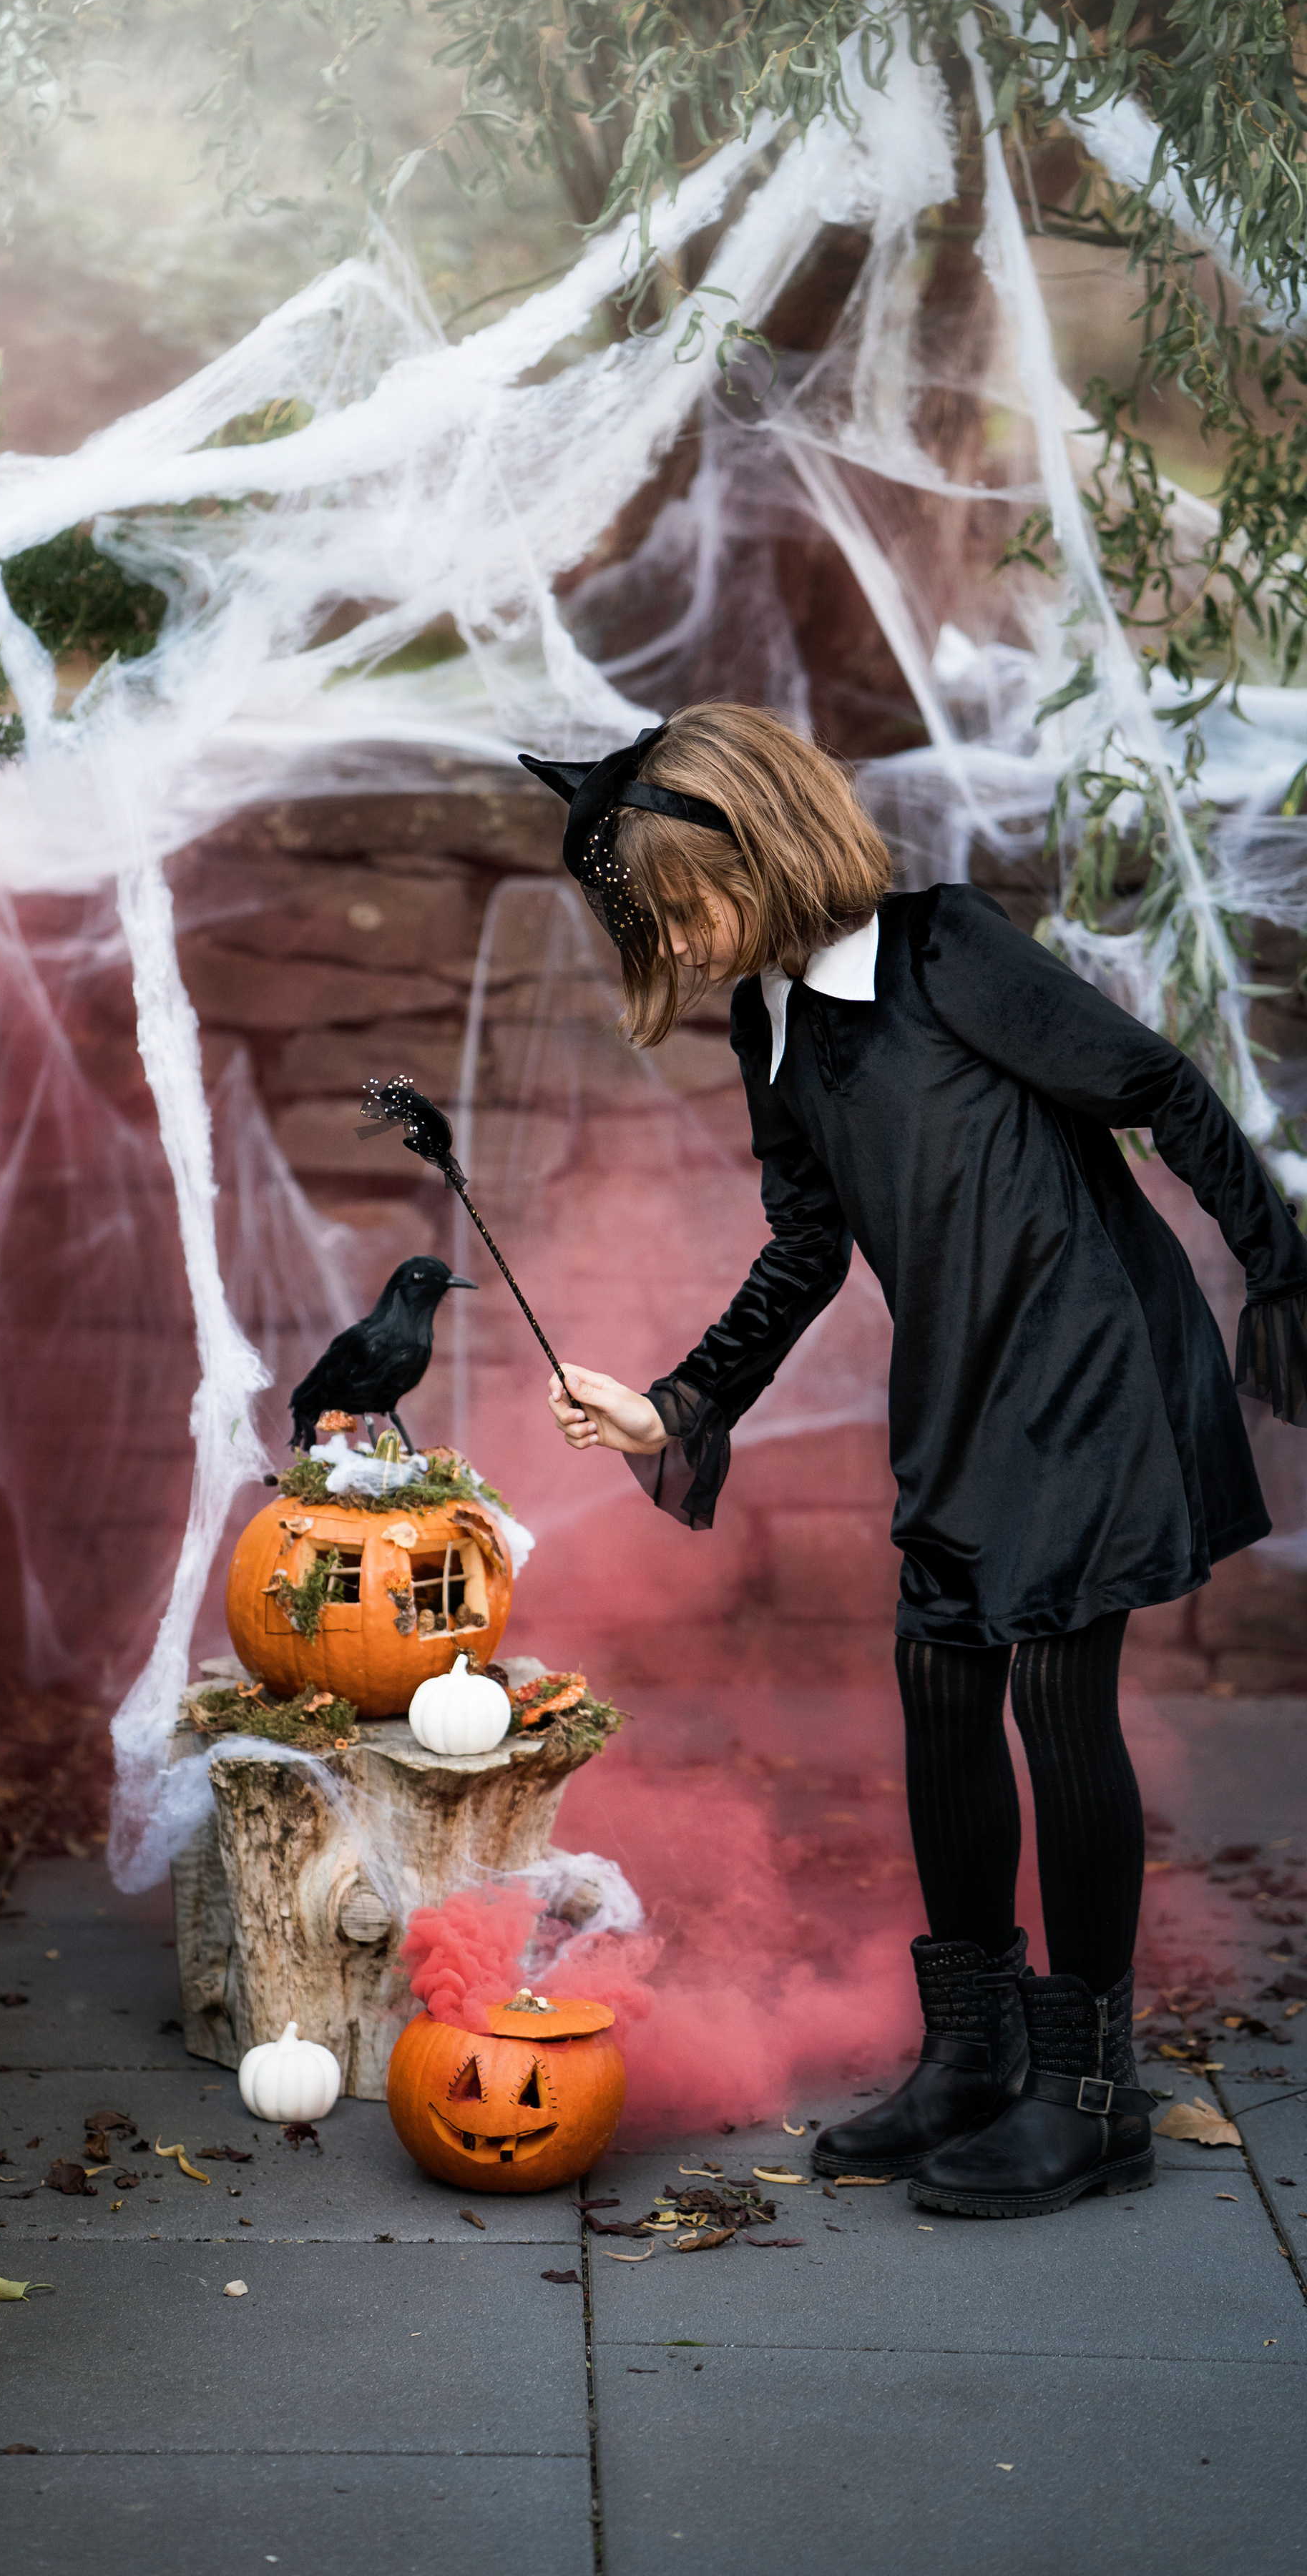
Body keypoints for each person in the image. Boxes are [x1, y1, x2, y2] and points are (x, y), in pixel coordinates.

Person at [525, 703, 1307, 2219]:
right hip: (959, 1387)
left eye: (682, 907)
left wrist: (1276, 1269)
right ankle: (971, 2051)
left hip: (1086, 1368)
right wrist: (679, 1403)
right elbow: (809, 1243)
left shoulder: (940, 948)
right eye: (649, 924)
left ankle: (1090, 2094)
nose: (674, 943)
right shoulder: (765, 1017)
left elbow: (1150, 1084)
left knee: (1051, 1698)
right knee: (940, 1692)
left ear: (760, 845)